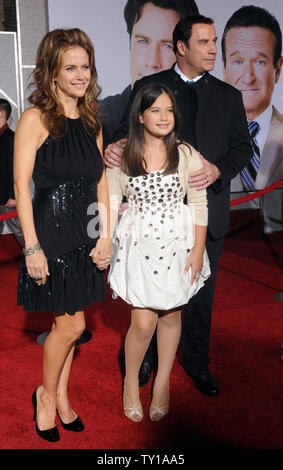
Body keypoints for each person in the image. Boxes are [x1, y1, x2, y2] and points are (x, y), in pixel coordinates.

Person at [104, 15, 252, 397]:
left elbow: (242, 149)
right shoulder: (150, 88)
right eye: (205, 42)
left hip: (206, 213)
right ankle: (146, 363)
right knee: (151, 301)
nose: (213, 49)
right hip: (152, 220)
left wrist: (219, 169)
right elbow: (125, 136)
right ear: (181, 47)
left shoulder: (228, 95)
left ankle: (197, 363)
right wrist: (113, 148)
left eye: (215, 41)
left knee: (200, 297)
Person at [14, 28, 112, 442]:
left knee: (74, 325)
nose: (79, 75)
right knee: (69, 328)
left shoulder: (91, 119)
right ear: (51, 72)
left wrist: (106, 235)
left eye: (84, 66)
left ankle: (62, 396)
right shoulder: (35, 118)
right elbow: (21, 187)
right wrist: (31, 247)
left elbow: (101, 182)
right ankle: (45, 396)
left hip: (86, 237)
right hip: (50, 236)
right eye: (69, 67)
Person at [107, 82, 210, 421]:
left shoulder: (186, 153)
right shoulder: (122, 154)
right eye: (156, 110)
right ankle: (130, 384)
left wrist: (197, 251)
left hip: (179, 246)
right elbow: (109, 201)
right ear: (140, 116)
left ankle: (162, 382)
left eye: (169, 110)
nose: (164, 117)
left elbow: (197, 202)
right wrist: (103, 238)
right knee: (142, 321)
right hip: (139, 247)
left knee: (172, 316)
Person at [100, 0, 199, 143]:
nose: (152, 62)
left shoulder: (203, 116)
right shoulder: (100, 118)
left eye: (167, 45)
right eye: (143, 41)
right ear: (130, 45)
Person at [222, 5, 283, 234]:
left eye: (260, 62)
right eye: (238, 61)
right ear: (224, 66)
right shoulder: (199, 139)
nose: (247, 77)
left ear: (277, 68)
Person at [0, 99, 24, 247]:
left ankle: (35, 256)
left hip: (8, 198)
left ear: (2, 114)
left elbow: (16, 169)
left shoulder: (10, 138)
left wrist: (13, 196)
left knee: (19, 230)